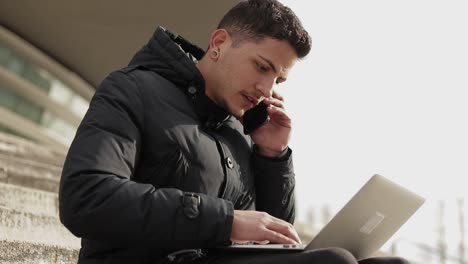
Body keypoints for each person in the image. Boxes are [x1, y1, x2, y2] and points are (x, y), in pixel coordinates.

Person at [59, 0, 410, 263]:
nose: (266, 88)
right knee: (335, 262)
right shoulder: (133, 89)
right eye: (261, 66)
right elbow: (86, 198)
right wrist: (225, 220)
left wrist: (272, 157)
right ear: (220, 42)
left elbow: (274, 239)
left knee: (390, 263)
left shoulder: (239, 132)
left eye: (278, 79)